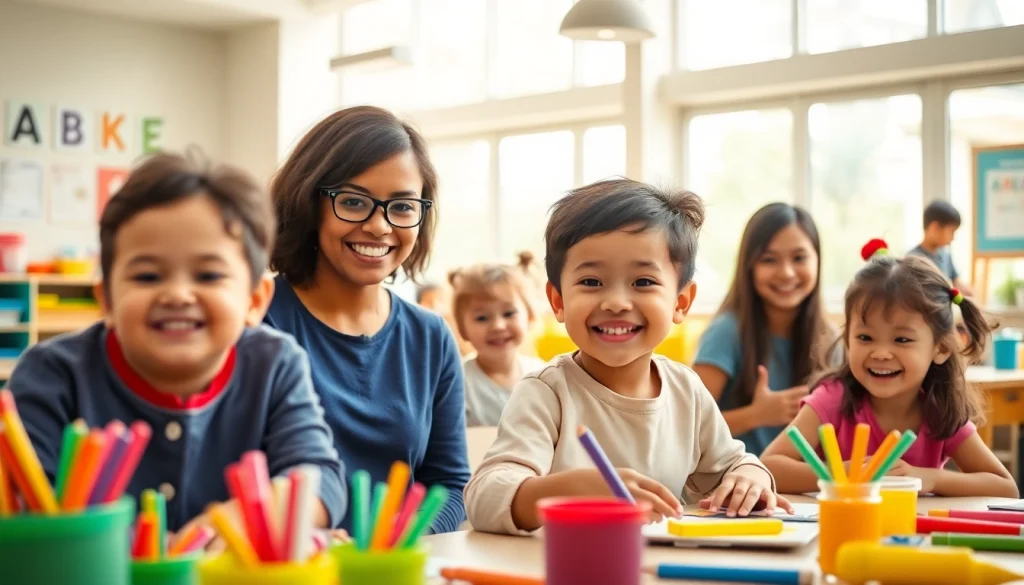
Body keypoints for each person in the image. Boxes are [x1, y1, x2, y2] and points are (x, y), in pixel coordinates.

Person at [6, 152, 346, 531]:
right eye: (148, 276)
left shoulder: (276, 364)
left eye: (208, 275)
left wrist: (246, 521)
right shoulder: (53, 373)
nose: (178, 295)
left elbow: (319, 477)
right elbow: (25, 505)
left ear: (254, 300)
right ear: (107, 300)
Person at [465, 179, 790, 536]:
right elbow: (485, 497)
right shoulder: (547, 392)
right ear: (557, 301)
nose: (617, 302)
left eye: (643, 282)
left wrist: (751, 476)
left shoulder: (686, 389)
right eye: (591, 282)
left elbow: (733, 464)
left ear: (680, 302)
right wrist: (572, 490)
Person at [264, 106, 470, 534]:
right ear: (309, 202)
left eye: (402, 207)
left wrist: (390, 548)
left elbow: (449, 484)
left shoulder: (430, 337)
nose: (379, 226)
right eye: (354, 202)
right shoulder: (256, 322)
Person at [761, 239, 1017, 497]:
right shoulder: (832, 400)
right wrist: (842, 473)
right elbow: (768, 467)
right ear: (848, 337)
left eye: (902, 340)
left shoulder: (941, 410)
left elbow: (1005, 488)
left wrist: (928, 478)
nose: (881, 353)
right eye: (865, 337)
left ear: (940, 349)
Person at [692, 203, 833, 455]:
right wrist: (755, 416)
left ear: (818, 261)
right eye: (769, 260)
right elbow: (684, 427)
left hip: (803, 487)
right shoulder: (726, 332)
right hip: (735, 483)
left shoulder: (831, 339)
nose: (786, 273)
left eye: (799, 258)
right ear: (749, 267)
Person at [448, 254, 547, 427]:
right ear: (463, 329)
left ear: (530, 316)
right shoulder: (457, 382)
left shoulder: (544, 375)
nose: (498, 326)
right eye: (482, 318)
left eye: (509, 314)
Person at [908, 201, 974, 296]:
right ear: (935, 228)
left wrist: (967, 290)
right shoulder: (912, 259)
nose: (953, 238)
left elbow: (957, 282)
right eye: (951, 232)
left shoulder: (946, 256)